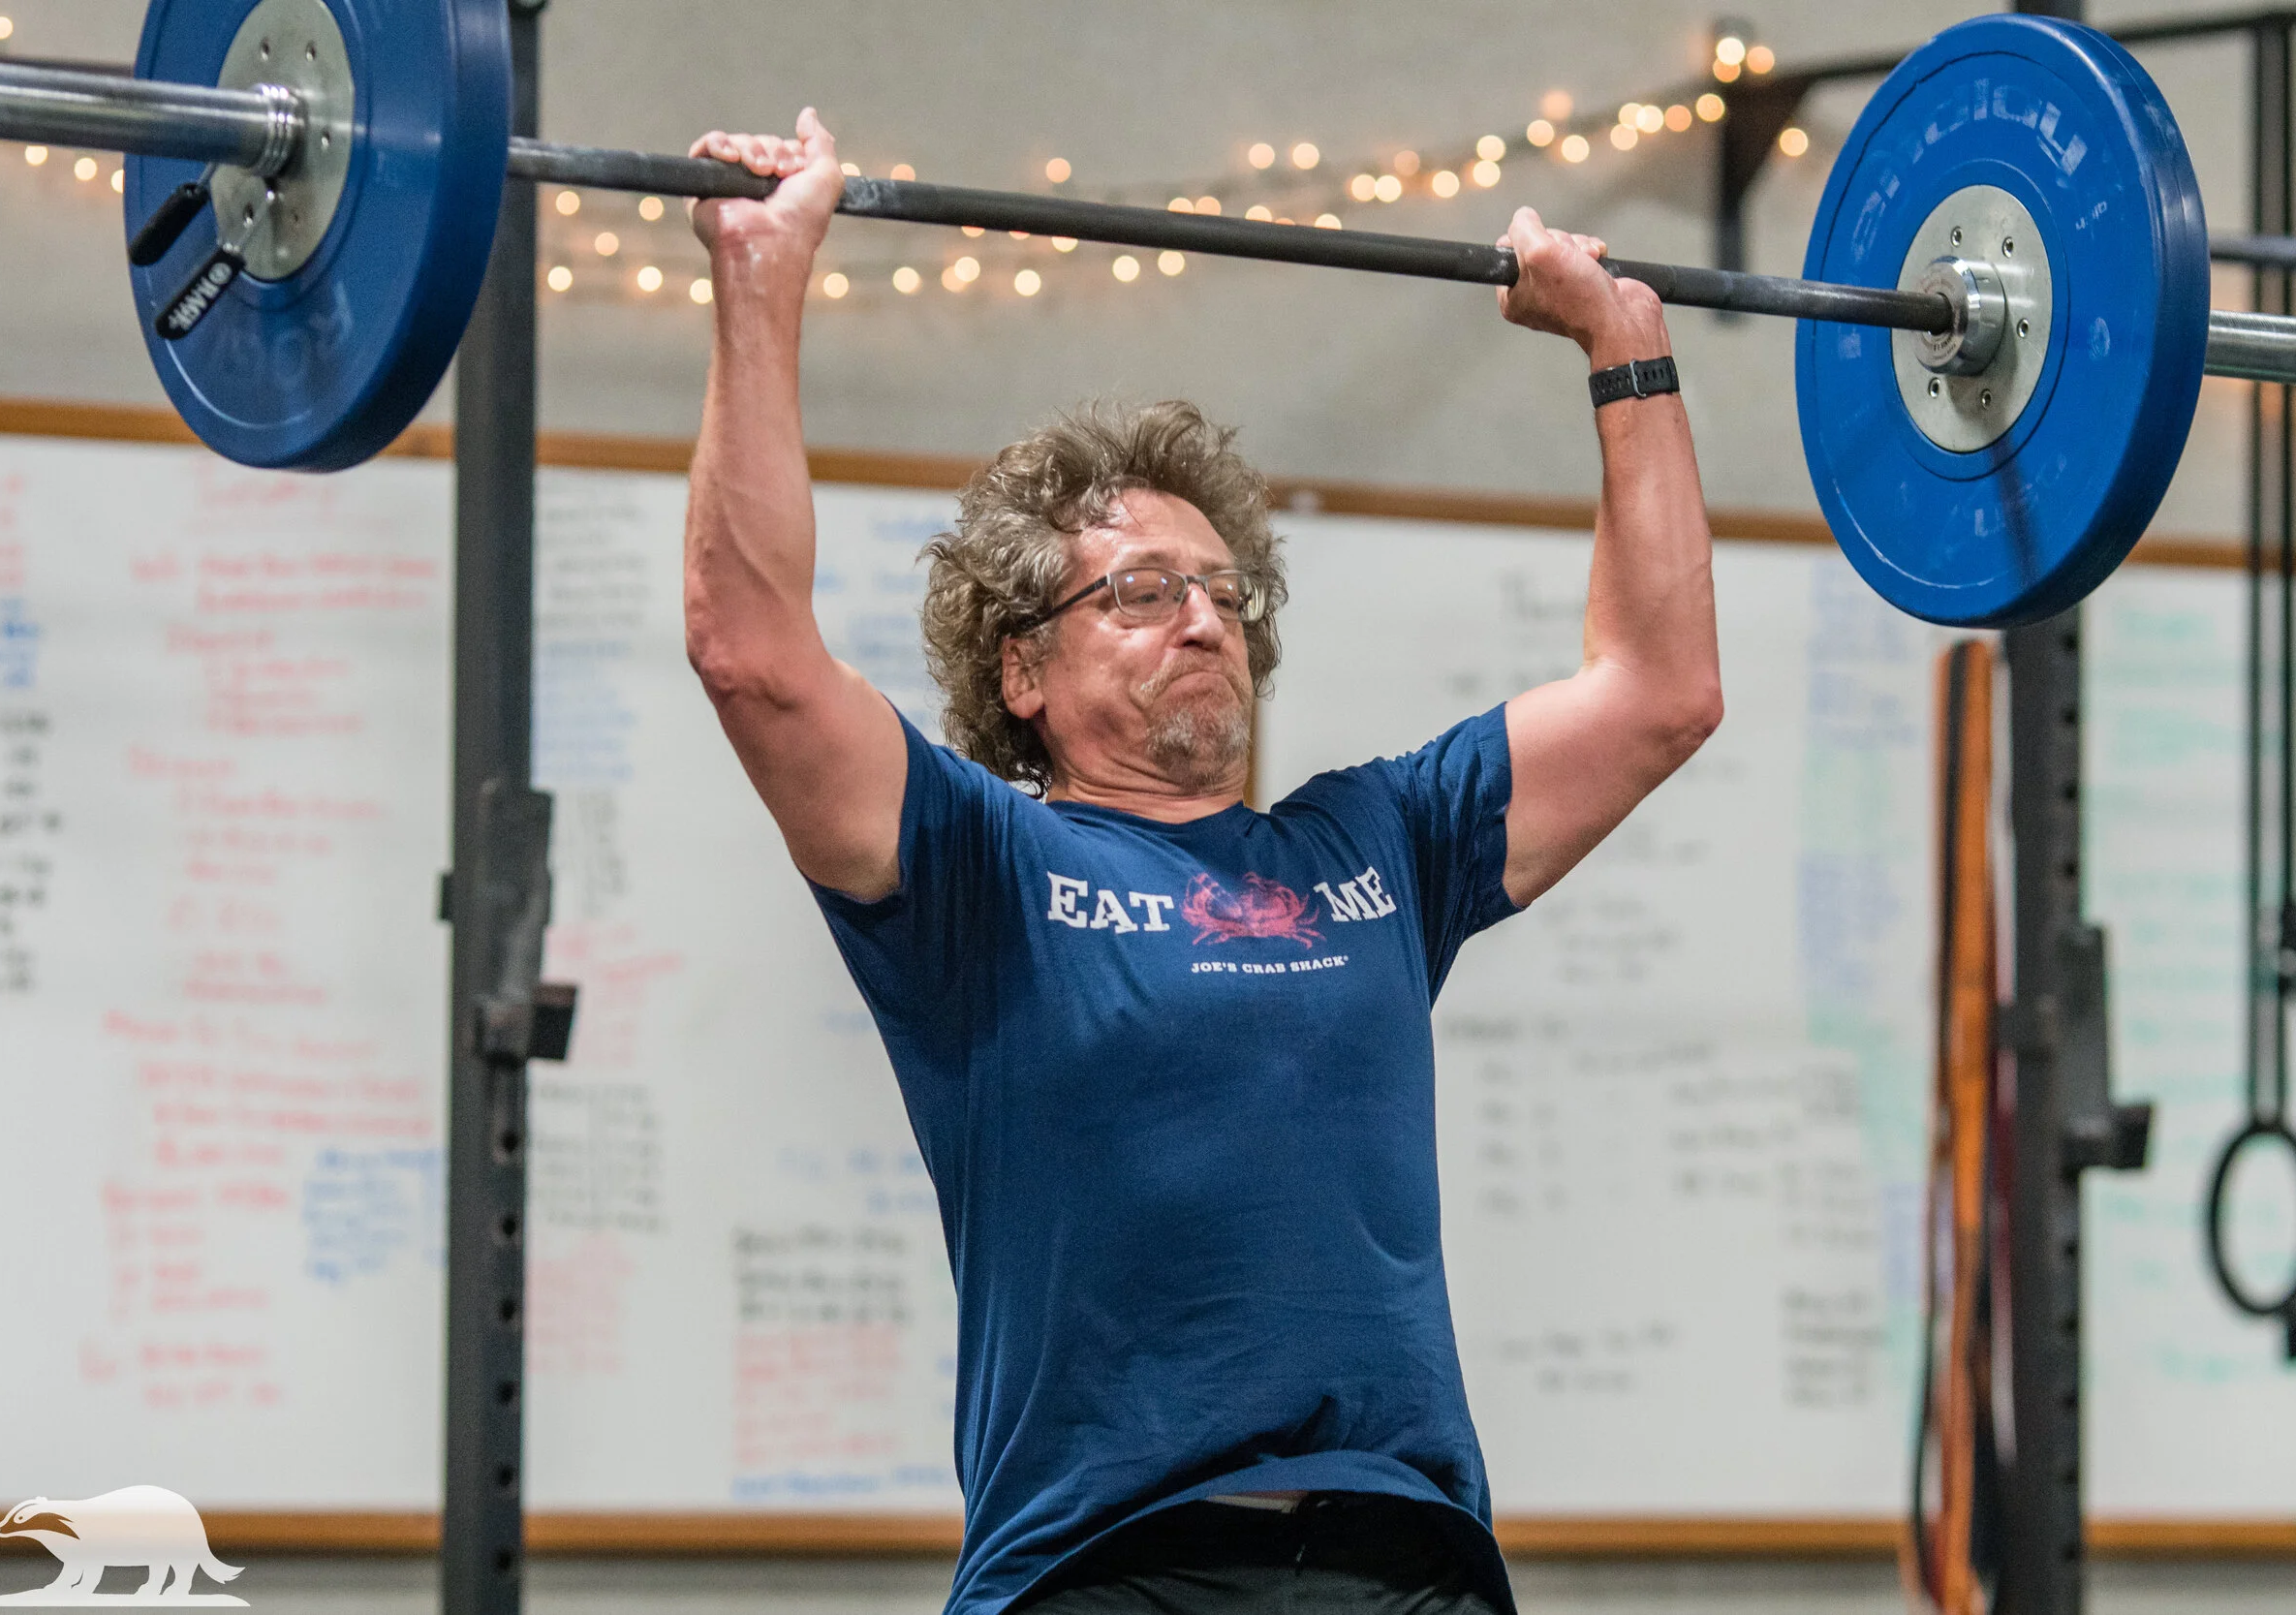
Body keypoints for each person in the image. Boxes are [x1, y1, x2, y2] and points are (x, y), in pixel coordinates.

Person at [683, 109, 1721, 1615]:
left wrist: (1624, 347)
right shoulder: (982, 867)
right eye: (1145, 591)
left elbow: (1663, 688)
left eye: (1224, 590)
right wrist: (761, 284)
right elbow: (754, 656)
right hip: (1109, 1564)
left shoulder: (1381, 839)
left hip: (1402, 1555)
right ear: (1022, 667)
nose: (1204, 618)